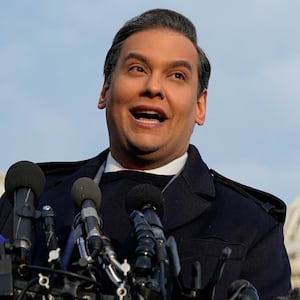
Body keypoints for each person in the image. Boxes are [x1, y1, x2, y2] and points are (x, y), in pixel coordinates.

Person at [0, 8, 291, 300]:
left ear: (200, 106)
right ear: (105, 90)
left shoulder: (249, 225)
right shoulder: (28, 201)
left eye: (177, 75)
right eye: (138, 69)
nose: (153, 87)